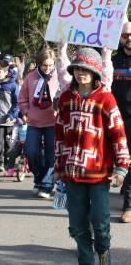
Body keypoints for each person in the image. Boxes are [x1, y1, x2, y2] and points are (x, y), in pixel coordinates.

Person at [54, 47, 130, 265]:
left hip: (99, 174)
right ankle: (86, 261)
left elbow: (118, 134)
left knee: (100, 224)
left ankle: (104, 254)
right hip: (72, 173)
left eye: (85, 68)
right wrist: (58, 166)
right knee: (77, 226)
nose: (81, 73)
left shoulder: (106, 99)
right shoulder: (66, 97)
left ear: (95, 71)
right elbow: (59, 134)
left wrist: (122, 167)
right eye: (77, 68)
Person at [18, 43, 71, 199]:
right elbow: (22, 99)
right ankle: (40, 177)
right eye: (44, 65)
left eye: (50, 65)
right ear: (39, 64)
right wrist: (26, 111)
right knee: (30, 151)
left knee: (50, 155)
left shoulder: (59, 77)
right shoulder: (30, 77)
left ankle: (46, 184)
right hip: (34, 122)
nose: (47, 68)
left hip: (53, 122)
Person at [111, 21, 131, 223]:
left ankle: (128, 206)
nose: (129, 38)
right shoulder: (112, 60)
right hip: (114, 117)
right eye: (126, 35)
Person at [0, 60, 19, 172]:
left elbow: (17, 103)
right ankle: (0, 163)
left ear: (6, 72)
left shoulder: (13, 85)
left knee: (9, 142)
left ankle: (8, 162)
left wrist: (11, 115)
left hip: (9, 119)